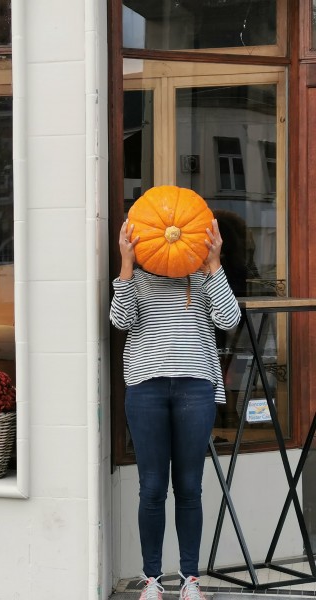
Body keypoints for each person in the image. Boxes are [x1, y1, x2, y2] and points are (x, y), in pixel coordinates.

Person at [110, 217, 241, 600]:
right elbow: (120, 320)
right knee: (151, 488)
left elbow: (230, 319)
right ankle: (151, 580)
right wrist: (126, 264)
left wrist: (214, 263)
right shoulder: (137, 279)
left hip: (195, 388)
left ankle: (190, 580)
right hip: (146, 389)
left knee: (189, 488)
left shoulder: (201, 278)